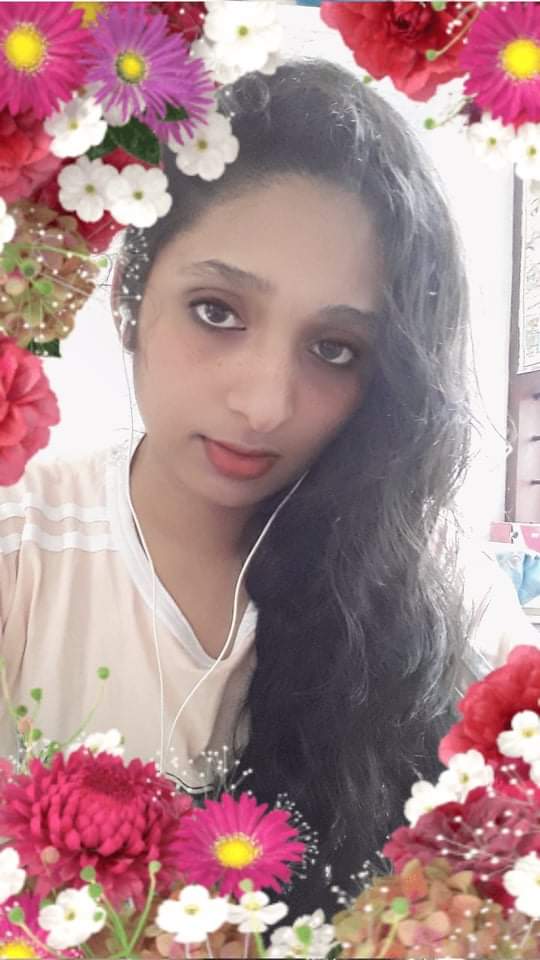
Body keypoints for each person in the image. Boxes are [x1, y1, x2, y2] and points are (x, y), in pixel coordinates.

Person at [0, 59, 533, 915]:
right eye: (217, 311)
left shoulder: (436, 593)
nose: (265, 405)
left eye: (334, 350)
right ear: (133, 296)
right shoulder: (23, 552)